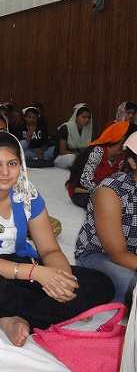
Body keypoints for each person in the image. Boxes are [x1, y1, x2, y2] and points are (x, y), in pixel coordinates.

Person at [0, 131, 114, 346]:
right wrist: (37, 274)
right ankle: (46, 311)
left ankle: (20, 319)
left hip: (17, 261)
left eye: (12, 163)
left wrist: (63, 282)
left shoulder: (27, 195)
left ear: (21, 164)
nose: (5, 172)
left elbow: (49, 250)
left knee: (101, 284)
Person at [75, 131, 137, 307]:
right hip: (100, 256)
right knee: (133, 286)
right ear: (132, 162)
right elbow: (118, 255)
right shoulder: (110, 192)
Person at [65, 121, 137, 209]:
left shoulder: (122, 157)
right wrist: (107, 191)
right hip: (82, 193)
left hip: (105, 193)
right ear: (124, 139)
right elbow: (85, 181)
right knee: (110, 206)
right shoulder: (98, 151)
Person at [54, 104, 93, 169]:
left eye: (89, 117)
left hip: (79, 156)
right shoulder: (66, 128)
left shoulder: (88, 130)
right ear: (76, 117)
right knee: (72, 158)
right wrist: (77, 154)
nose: (87, 120)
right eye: (84, 117)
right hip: (62, 157)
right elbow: (62, 151)